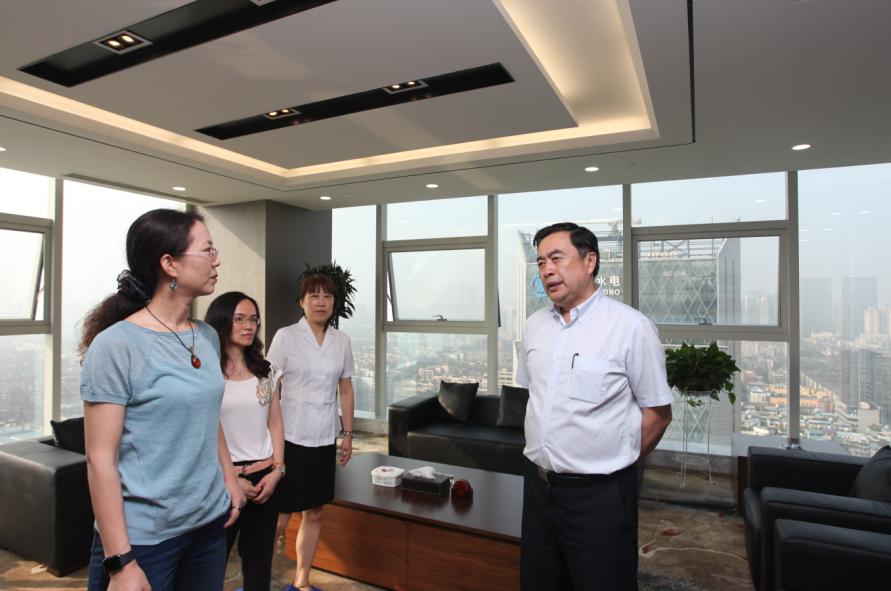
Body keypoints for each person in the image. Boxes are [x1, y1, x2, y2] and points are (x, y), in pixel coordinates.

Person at [79, 209, 246, 591]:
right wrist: (120, 562)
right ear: (170, 264)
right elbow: (100, 460)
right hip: (143, 539)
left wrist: (229, 476)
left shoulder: (206, 336)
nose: (217, 260)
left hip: (207, 526)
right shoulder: (116, 345)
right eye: (207, 250)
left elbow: (207, 417)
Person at [516, 222, 673, 591]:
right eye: (541, 262)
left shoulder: (630, 327)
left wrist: (616, 461)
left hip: (599, 496)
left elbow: (658, 415)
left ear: (590, 262)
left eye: (557, 258)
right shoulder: (535, 326)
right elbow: (535, 396)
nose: (547, 269)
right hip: (538, 490)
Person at [267, 273, 356, 591]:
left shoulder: (341, 341)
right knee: (279, 517)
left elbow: (345, 388)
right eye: (314, 296)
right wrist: (265, 432)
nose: (321, 302)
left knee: (315, 511)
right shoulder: (286, 337)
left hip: (323, 437)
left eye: (327, 296)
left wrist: (348, 433)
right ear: (301, 302)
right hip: (289, 437)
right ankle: (258, 581)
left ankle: (302, 580)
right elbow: (269, 386)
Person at [205, 291, 285, 591]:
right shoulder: (205, 372)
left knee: (259, 565)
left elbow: (275, 422)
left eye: (253, 319)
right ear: (222, 321)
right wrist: (231, 479)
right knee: (210, 565)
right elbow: (202, 428)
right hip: (221, 479)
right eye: (239, 319)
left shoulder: (267, 371)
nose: (249, 326)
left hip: (265, 479)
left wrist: (278, 470)